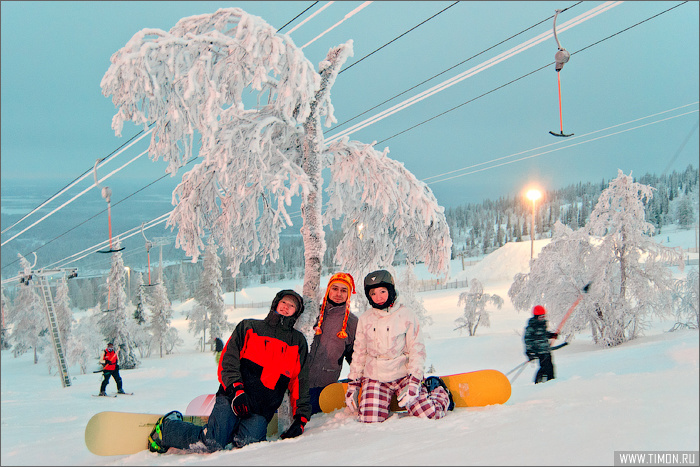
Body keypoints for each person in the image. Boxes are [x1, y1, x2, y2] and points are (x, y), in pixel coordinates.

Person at [147, 290, 311, 453]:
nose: (286, 307)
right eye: (284, 302)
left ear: (296, 312)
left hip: (261, 410)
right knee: (212, 443)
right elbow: (228, 361)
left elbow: (300, 381)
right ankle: (167, 428)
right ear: (276, 303)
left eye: (292, 305)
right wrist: (237, 391)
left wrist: (300, 419)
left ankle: (231, 431)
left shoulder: (298, 342)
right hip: (233, 398)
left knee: (251, 448)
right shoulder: (249, 327)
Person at [344, 269, 453, 423]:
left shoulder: (406, 315)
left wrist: (414, 382)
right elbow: (359, 353)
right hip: (375, 376)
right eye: (373, 293)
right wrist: (353, 385)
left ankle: (438, 390)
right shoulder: (365, 319)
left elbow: (417, 350)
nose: (378, 297)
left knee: (429, 415)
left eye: (382, 291)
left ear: (391, 290)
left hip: (403, 374)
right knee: (370, 419)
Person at [307, 272, 359, 415]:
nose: (338, 294)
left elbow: (355, 358)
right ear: (328, 289)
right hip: (297, 383)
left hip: (324, 388)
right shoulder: (311, 314)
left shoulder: (352, 323)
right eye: (335, 288)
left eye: (344, 290)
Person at [523, 305, 559, 383]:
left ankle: (551, 381)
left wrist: (552, 335)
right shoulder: (531, 327)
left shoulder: (543, 324)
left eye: (543, 316)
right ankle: (538, 383)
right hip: (538, 351)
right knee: (544, 367)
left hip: (546, 350)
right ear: (536, 316)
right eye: (541, 316)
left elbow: (544, 334)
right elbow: (527, 341)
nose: (542, 318)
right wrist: (530, 353)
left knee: (550, 367)